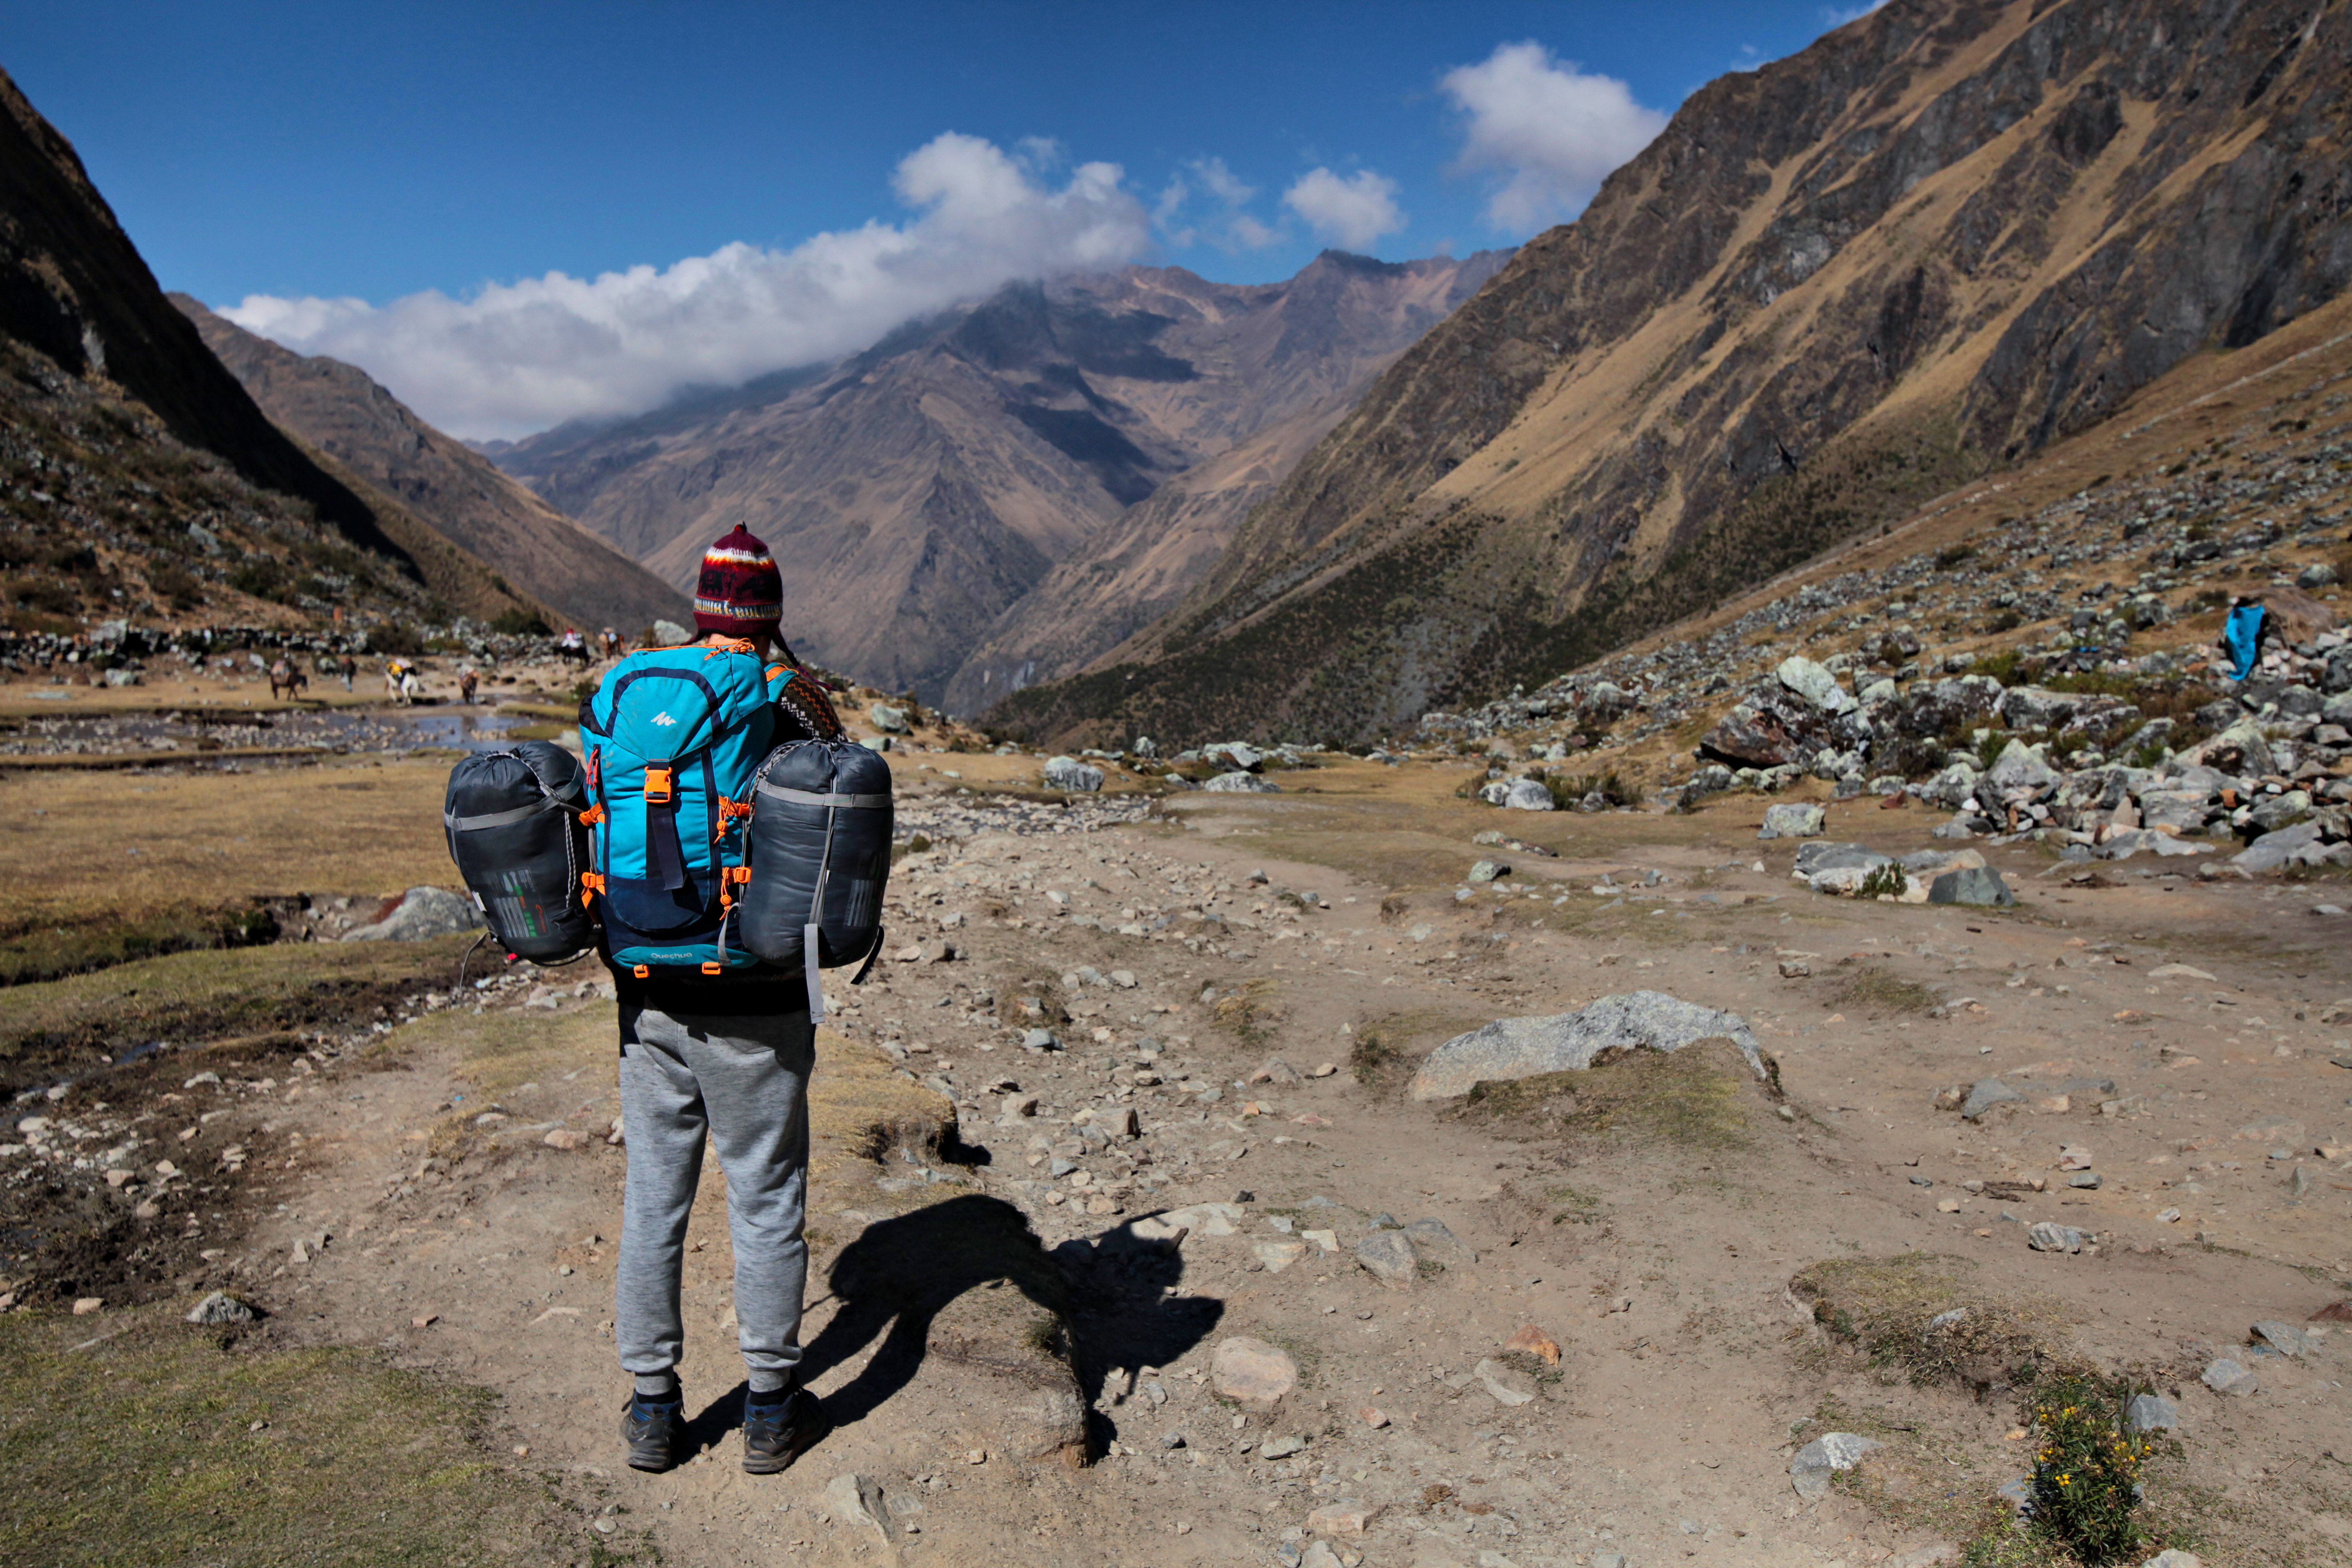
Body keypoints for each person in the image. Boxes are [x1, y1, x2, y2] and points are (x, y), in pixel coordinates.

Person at [609, 524, 844, 1477]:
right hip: (757, 989)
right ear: (772, 612)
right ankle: (770, 1408)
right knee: (766, 1197)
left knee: (653, 1200)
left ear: (703, 606)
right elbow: (844, 830)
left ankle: (655, 1408)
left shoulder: (639, 690)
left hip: (645, 988)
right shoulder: (793, 697)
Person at [2218, 595, 2271, 681]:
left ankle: (2244, 670)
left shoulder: (2239, 613)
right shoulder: (2254, 611)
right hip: (2247, 640)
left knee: (2245, 652)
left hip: (2245, 640)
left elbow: (2232, 628)